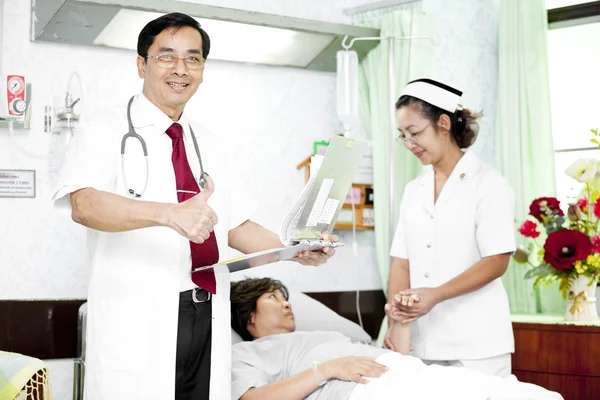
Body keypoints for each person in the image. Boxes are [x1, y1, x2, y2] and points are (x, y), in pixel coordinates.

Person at [51, 12, 337, 400]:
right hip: (138, 315)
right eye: (166, 56)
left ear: (202, 68)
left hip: (206, 313)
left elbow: (235, 227)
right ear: (141, 64)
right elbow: (84, 205)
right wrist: (169, 214)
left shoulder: (210, 142)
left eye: (193, 58)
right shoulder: (104, 128)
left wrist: (295, 251)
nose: (180, 69)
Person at [229, 277, 563, 400]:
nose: (286, 302)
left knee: (516, 393)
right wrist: (327, 369)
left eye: (284, 295)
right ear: (249, 316)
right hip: (360, 389)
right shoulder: (246, 352)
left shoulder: (328, 335)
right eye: (273, 297)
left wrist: (400, 322)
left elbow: (397, 356)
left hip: (404, 372)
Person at [383, 78, 516, 377]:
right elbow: (401, 262)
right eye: (402, 135)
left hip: (477, 347)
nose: (408, 144)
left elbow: (497, 260)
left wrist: (436, 294)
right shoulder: (413, 190)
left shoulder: (488, 183)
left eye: (415, 132)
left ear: (443, 123)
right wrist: (396, 315)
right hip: (421, 345)